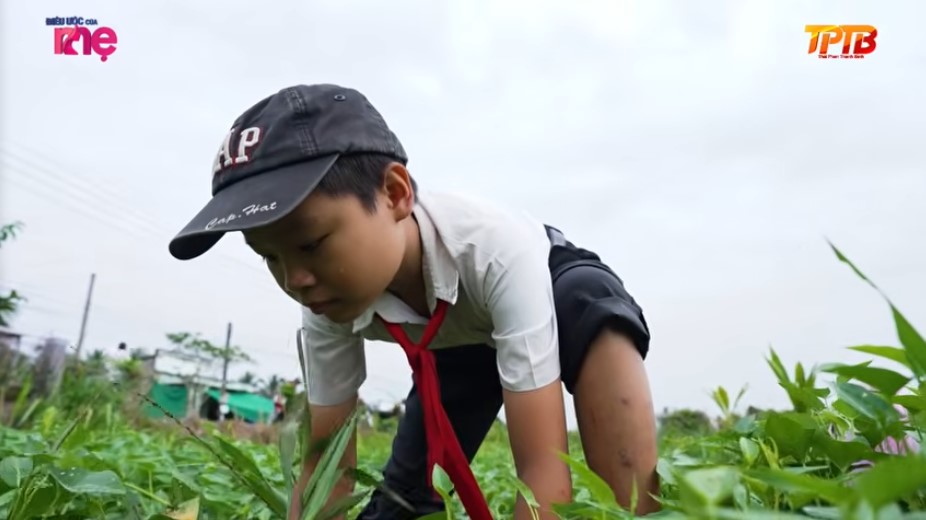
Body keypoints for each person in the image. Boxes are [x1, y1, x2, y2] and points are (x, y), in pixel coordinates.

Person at [168, 84, 661, 519]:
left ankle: (634, 510)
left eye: (312, 243)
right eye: (269, 256)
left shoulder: (492, 249)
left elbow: (542, 470)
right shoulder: (322, 293)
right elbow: (326, 469)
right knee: (400, 504)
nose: (295, 278)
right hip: (456, 345)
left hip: (547, 296)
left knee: (590, 308)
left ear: (394, 192)